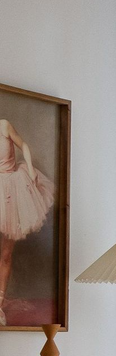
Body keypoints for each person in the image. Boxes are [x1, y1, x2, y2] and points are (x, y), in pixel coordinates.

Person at [0, 119, 55, 326]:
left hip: (13, 190)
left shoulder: (4, 125)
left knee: (6, 253)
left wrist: (31, 170)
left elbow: (23, 145)